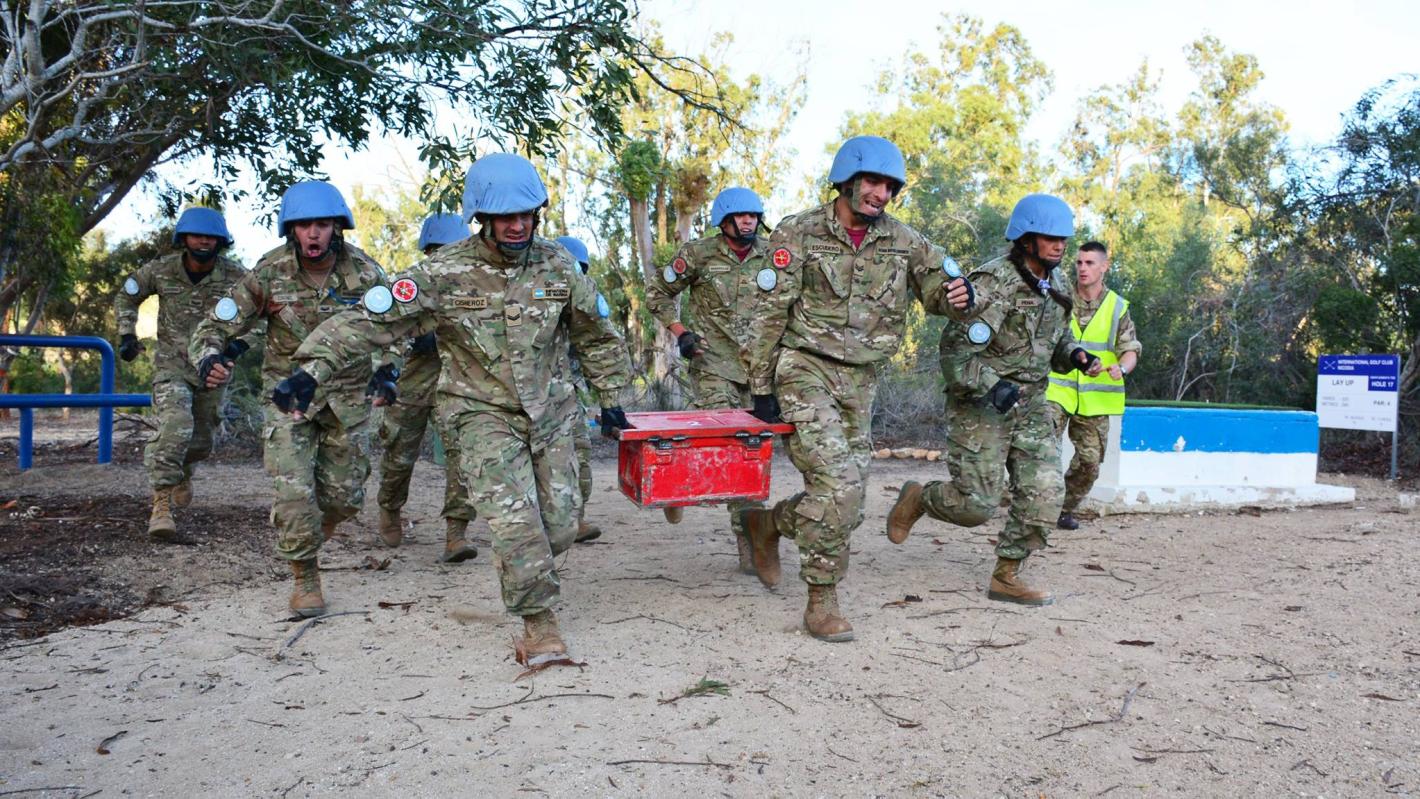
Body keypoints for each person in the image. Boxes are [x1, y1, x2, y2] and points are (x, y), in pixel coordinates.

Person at [275, 154, 631, 662]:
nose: (516, 225)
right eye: (505, 216)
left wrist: (613, 396)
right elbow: (368, 321)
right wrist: (310, 370)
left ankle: (524, 571)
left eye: (526, 214)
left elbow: (597, 336)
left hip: (551, 415)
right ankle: (539, 625)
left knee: (560, 522)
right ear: (481, 216)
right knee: (515, 524)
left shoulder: (560, 267)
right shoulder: (442, 273)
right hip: (479, 414)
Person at [740, 136, 974, 642]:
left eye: (890, 186)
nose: (881, 194)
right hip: (804, 369)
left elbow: (939, 289)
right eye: (873, 182)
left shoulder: (905, 241)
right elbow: (766, 313)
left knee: (851, 503)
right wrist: (761, 387)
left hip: (862, 380)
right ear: (847, 180)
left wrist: (958, 296)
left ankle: (768, 524)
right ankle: (821, 601)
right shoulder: (798, 233)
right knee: (839, 487)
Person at [885, 194, 1103, 607]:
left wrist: (1076, 356)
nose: (1060, 246)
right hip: (981, 403)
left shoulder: (1057, 285)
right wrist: (993, 385)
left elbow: (1057, 342)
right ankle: (919, 498)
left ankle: (1007, 573)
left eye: (1064, 239)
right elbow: (954, 352)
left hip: (1032, 404)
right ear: (1025, 239)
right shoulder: (992, 282)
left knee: (1045, 494)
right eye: (1050, 238)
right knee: (976, 506)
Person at [190, 181, 394, 618]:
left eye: (322, 225)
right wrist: (209, 358)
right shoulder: (269, 273)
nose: (314, 234)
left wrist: (387, 370)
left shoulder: (366, 273)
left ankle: (311, 532)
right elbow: (216, 325)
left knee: (345, 500)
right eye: (304, 226)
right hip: (288, 400)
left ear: (337, 228)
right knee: (294, 493)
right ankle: (305, 578)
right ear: (291, 230)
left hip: (347, 400)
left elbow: (397, 325)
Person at [114, 207, 262, 541]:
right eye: (197, 235)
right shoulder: (161, 270)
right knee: (175, 425)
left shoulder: (236, 277)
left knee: (201, 440)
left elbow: (262, 315)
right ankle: (161, 506)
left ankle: (184, 472)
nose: (203, 241)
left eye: (210, 236)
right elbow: (127, 295)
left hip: (214, 368)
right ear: (184, 239)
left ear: (220, 241)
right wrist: (127, 334)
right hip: (172, 367)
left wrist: (236, 348)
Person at [644, 186, 771, 570]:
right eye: (741, 215)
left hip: (760, 369)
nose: (749, 221)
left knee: (754, 449)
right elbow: (657, 294)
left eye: (754, 215)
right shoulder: (698, 254)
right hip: (713, 364)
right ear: (724, 220)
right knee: (734, 447)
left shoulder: (775, 256)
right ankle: (741, 536)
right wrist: (681, 333)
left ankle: (746, 538)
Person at [375, 213, 477, 563]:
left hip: (460, 381)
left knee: (461, 455)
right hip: (414, 381)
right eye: (438, 250)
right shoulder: (412, 285)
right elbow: (388, 329)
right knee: (399, 451)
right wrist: (388, 366)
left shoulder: (475, 285)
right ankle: (389, 507)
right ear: (428, 251)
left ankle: (456, 532)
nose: (445, 256)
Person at [1046, 241, 1141, 530]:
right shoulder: (1059, 298)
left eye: (1089, 263)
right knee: (1042, 452)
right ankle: (1036, 507)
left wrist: (1121, 368)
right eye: (1079, 263)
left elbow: (1131, 349)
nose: (1082, 268)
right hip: (1055, 390)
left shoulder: (1117, 307)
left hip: (1095, 399)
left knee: (1089, 464)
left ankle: (1063, 509)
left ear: (1104, 266)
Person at [554, 234, 607, 545]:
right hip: (529, 394)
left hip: (570, 391)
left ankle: (577, 517)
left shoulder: (586, 301)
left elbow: (597, 348)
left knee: (581, 452)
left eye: (579, 270)